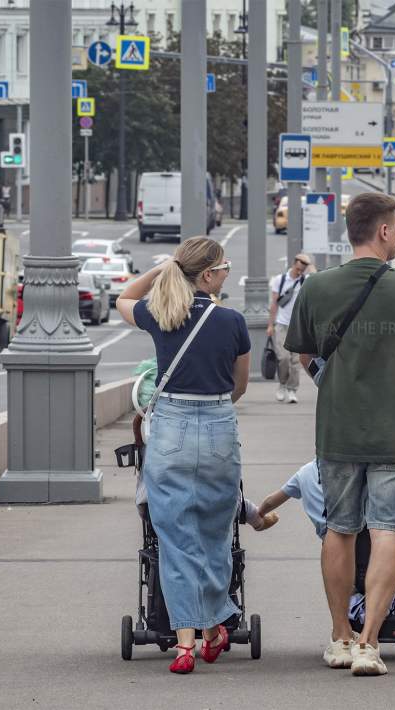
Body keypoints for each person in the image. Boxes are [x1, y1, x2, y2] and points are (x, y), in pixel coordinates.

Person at [285, 192, 395, 676]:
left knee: (339, 530)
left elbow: (303, 355)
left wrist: (336, 384)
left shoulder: (316, 288)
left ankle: (339, 636)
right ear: (382, 231)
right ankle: (369, 643)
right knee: (387, 532)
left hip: (337, 431)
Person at [115, 236, 251, 675]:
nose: (227, 272)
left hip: (170, 428)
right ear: (209, 276)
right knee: (215, 536)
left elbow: (124, 297)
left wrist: (165, 267)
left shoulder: (160, 315)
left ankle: (187, 645)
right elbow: (239, 387)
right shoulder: (232, 321)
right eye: (224, 266)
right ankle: (213, 627)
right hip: (216, 427)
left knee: (175, 541)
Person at [257, 459, 395, 539]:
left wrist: (260, 514)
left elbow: (272, 500)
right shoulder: (352, 470)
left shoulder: (303, 473)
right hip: (359, 528)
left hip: (328, 534)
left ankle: (352, 604)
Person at [266, 253, 313, 404]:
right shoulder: (279, 281)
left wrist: (309, 267)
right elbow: (274, 304)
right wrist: (270, 325)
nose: (299, 272)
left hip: (299, 326)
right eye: (298, 268)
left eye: (303, 269)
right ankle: (282, 384)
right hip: (281, 324)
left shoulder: (305, 281)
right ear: (293, 264)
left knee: (296, 361)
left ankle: (292, 390)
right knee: (283, 358)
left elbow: (316, 274)